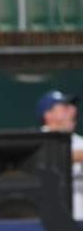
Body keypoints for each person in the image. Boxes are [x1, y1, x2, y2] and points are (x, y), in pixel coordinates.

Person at [36, 89, 83, 220]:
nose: (73, 110)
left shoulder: (80, 142)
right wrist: (75, 156)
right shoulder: (34, 142)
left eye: (72, 106)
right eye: (65, 107)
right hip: (46, 221)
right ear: (48, 114)